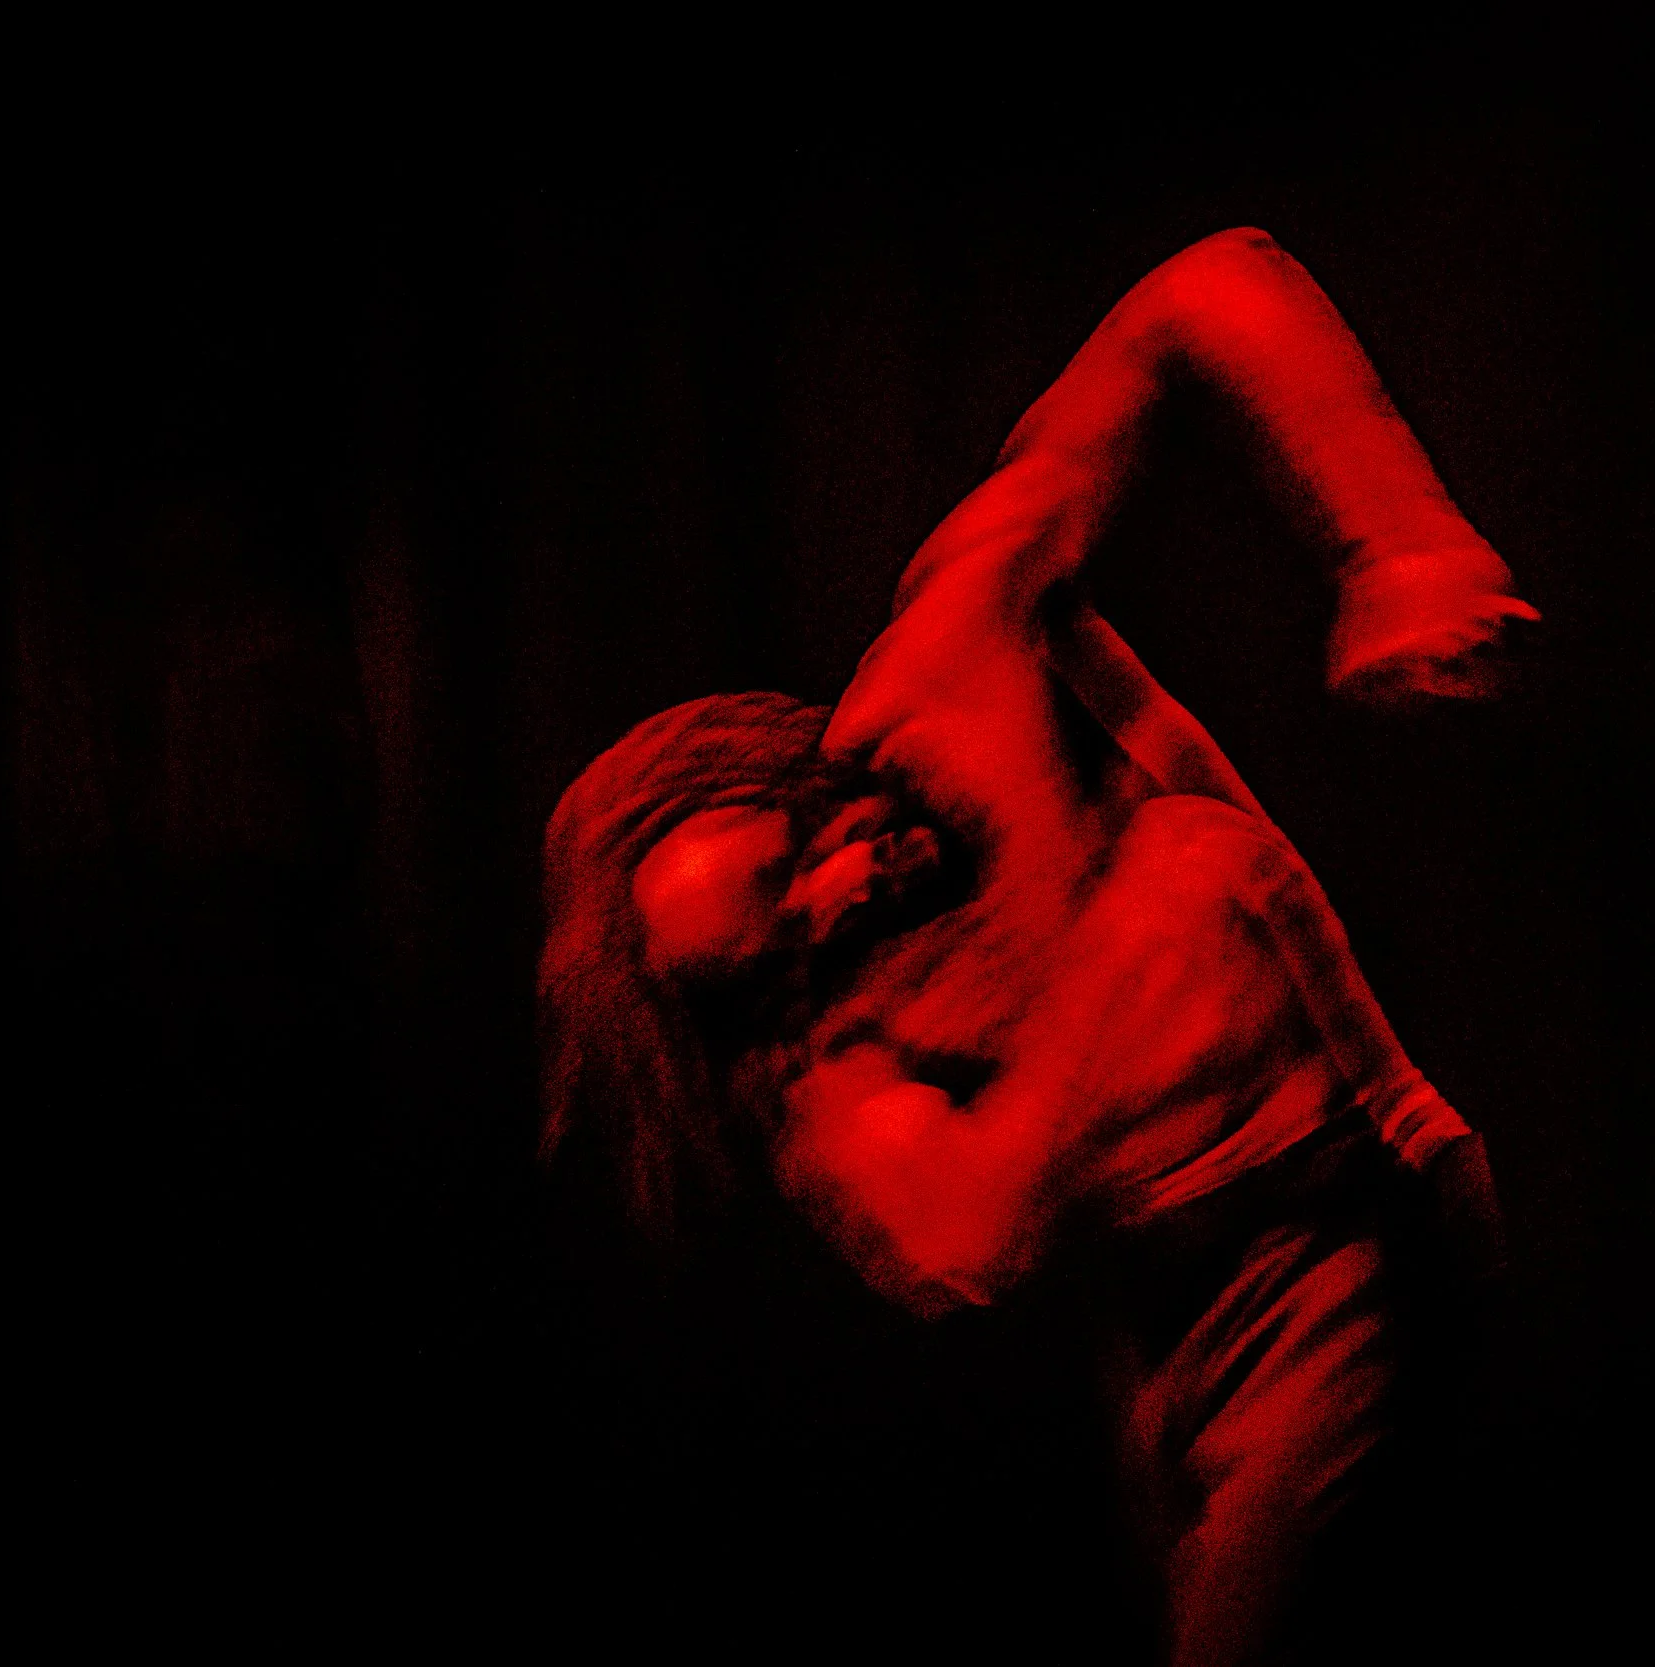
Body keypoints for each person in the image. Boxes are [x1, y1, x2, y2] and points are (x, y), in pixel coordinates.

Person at [539, 228, 1531, 1666]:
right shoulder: (828, 1063)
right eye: (775, 954)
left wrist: (1397, 539)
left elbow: (1208, 285)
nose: (829, 908)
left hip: (1322, 1261)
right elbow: (964, 1238)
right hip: (1165, 1346)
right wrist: (1135, 939)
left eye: (782, 865)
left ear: (769, 776)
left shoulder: (949, 667)